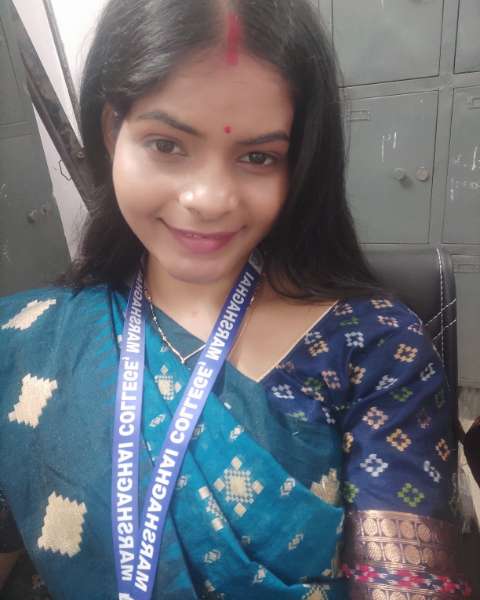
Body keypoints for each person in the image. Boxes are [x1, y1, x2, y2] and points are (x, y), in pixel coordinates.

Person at [0, 0, 471, 598]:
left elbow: (405, 580)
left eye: (257, 156)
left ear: (299, 165)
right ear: (112, 130)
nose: (209, 199)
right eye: (167, 144)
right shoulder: (30, 341)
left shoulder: (377, 350)